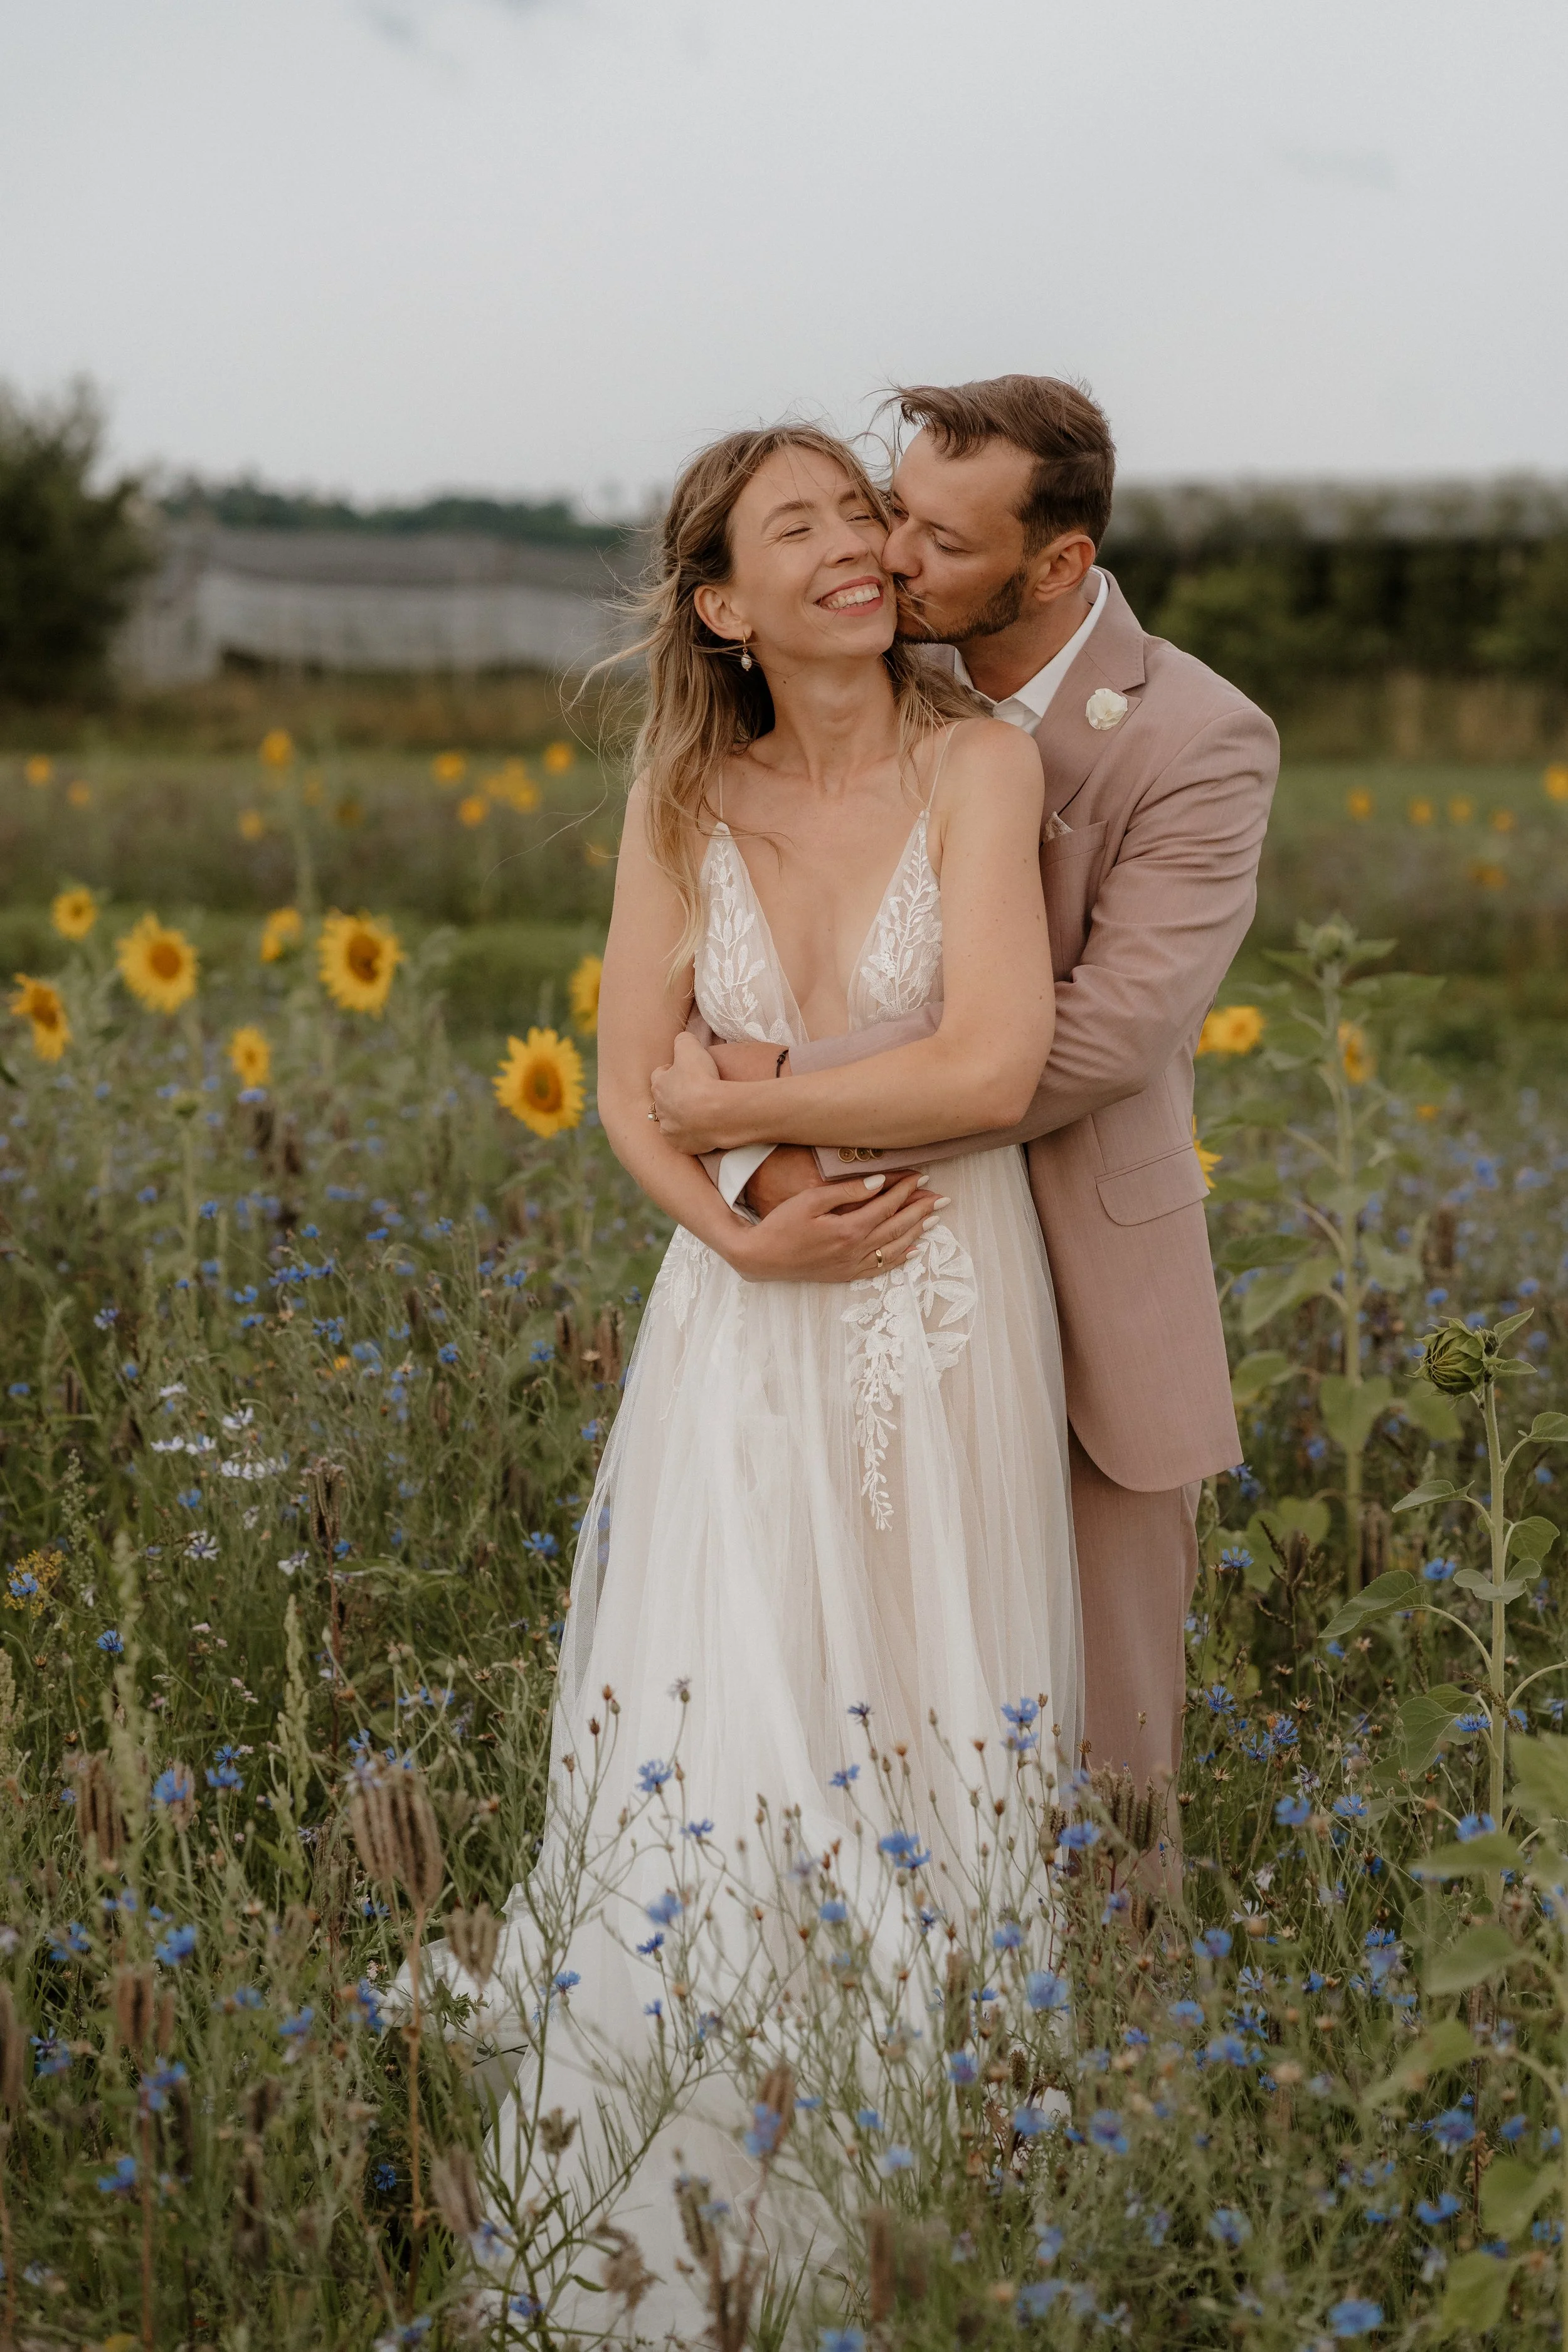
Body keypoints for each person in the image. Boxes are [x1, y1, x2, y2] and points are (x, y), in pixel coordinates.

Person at [410, 421, 1083, 2339]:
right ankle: (692, 2166)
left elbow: (990, 1064)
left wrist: (738, 1106)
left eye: (861, 512)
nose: (858, 544)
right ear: (721, 602)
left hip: (942, 1296)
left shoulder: (980, 762)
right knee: (731, 1698)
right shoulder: (683, 793)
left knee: (934, 1689)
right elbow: (624, 1088)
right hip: (740, 1311)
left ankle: (928, 2167)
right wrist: (732, 1224)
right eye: (802, 525)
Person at [662, 376, 1279, 1803]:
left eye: (939, 540)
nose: (889, 555)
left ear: (1057, 564)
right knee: (863, 1701)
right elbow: (726, 940)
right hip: (856, 1257)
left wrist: (776, 1095)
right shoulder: (872, 666)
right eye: (895, 511)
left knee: (1105, 1755)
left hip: (1083, 1268)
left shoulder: (1201, 737)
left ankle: (1115, 1960)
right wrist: (751, 1148)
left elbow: (1104, 1035)